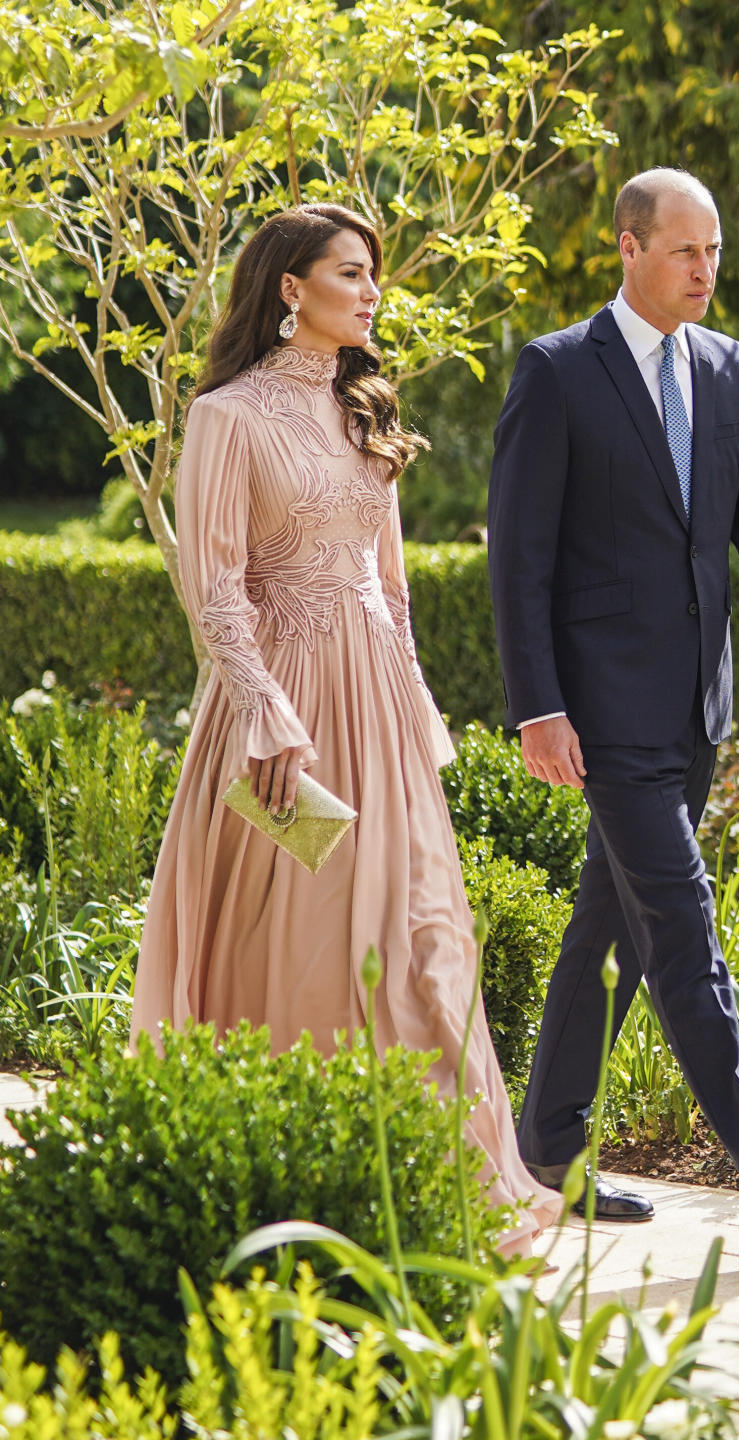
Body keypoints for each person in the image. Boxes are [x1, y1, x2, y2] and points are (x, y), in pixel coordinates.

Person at [129, 202, 562, 1252]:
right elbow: (213, 584)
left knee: (421, 939)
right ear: (291, 289)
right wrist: (263, 713)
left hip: (378, 709)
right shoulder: (227, 417)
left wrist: (417, 710)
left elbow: (393, 587)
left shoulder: (368, 404)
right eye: (352, 273)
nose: (372, 292)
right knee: (309, 941)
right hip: (287, 712)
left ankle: (439, 1183)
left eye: (373, 276)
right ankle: (300, 1182)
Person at [487, 168, 739, 1254]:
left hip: (695, 705)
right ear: (628, 247)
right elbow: (518, 562)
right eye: (684, 251)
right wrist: (538, 708)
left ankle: (549, 1150)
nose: (705, 270)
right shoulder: (559, 373)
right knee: (680, 932)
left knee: (605, 928)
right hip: (600, 714)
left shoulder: (734, 370)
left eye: (714, 252)